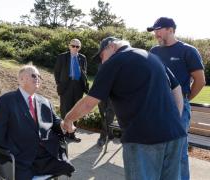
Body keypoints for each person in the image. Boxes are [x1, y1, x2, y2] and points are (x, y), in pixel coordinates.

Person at [63, 37, 187, 180]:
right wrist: (176, 117)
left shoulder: (114, 62)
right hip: (175, 134)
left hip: (142, 138)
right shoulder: (151, 57)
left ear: (111, 47)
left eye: (102, 56)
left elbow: (89, 103)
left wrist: (68, 119)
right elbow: (177, 88)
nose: (102, 62)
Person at [147, 17, 206, 180]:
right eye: (154, 31)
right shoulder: (154, 52)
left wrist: (184, 98)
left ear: (170, 29)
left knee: (178, 153)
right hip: (156, 107)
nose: (155, 34)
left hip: (177, 109)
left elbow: (200, 81)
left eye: (158, 30)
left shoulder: (188, 51)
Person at [0, 65, 74, 180]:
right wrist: (14, 151)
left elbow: (55, 121)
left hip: (45, 153)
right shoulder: (6, 101)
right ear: (21, 79)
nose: (38, 78)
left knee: (66, 168)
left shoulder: (45, 101)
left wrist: (64, 125)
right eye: (33, 75)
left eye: (39, 76)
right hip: (20, 156)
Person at [54, 38, 89, 143]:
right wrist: (60, 84)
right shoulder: (62, 57)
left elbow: (84, 72)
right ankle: (63, 133)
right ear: (69, 46)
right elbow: (57, 72)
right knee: (65, 110)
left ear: (80, 48)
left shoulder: (82, 58)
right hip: (66, 86)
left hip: (78, 86)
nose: (75, 48)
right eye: (73, 46)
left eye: (77, 46)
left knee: (76, 110)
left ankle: (72, 134)